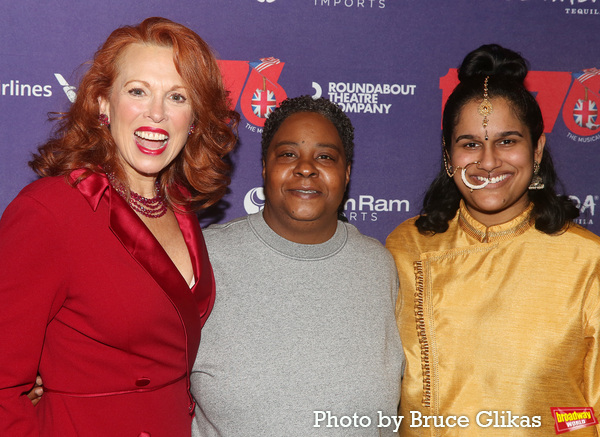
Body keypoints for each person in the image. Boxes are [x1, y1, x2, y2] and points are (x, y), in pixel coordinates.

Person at [0, 17, 238, 436]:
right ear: (102, 103)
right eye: (138, 91)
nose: (157, 114)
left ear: (196, 118)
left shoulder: (179, 212)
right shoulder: (49, 212)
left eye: (178, 97)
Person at [386, 44, 600, 436]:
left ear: (536, 149)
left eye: (507, 141)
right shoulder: (408, 248)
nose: (487, 161)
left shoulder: (587, 260)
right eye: (470, 144)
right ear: (449, 157)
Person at [190, 95, 405, 436]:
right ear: (264, 168)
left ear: (346, 173)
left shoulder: (380, 269)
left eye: (325, 156)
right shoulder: (205, 259)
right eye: (288, 154)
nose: (306, 168)